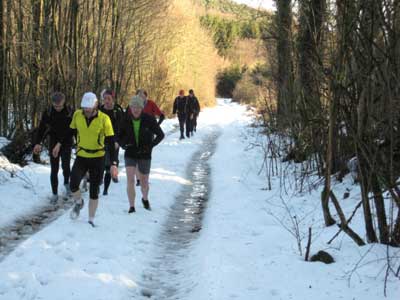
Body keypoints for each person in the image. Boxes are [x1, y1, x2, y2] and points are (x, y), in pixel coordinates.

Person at [69, 92, 118, 227]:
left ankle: (90, 219)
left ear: (95, 105)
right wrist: (62, 145)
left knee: (94, 189)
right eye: (85, 107)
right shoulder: (77, 115)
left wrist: (114, 163)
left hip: (98, 158)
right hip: (82, 156)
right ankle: (79, 202)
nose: (87, 110)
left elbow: (110, 141)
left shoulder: (104, 119)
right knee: (73, 183)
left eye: (89, 107)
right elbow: (71, 132)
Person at [118, 95, 164, 213]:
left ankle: (145, 198)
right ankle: (132, 206)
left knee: (144, 181)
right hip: (130, 152)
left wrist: (151, 145)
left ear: (142, 108)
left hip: (145, 153)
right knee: (130, 180)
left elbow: (160, 135)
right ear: (130, 108)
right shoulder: (125, 119)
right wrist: (124, 145)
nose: (135, 109)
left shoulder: (149, 119)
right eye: (133, 107)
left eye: (138, 107)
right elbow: (118, 136)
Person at [33, 92, 74, 203]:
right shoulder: (48, 112)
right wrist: (38, 142)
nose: (58, 108)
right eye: (55, 106)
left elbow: (71, 130)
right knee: (54, 169)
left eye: (60, 106)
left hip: (66, 141)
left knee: (66, 165)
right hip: (53, 141)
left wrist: (60, 144)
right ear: (52, 104)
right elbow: (42, 128)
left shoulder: (70, 112)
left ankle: (66, 183)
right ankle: (54, 194)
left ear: (64, 102)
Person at [136, 89, 165, 186]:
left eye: (142, 96)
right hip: (136, 133)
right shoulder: (133, 105)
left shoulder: (151, 104)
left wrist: (156, 126)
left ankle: (144, 176)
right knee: (136, 156)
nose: (141, 97)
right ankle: (139, 179)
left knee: (146, 155)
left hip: (149, 134)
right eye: (139, 95)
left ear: (146, 96)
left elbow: (161, 115)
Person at [99, 89, 124, 195]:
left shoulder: (118, 110)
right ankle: (100, 179)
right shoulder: (99, 110)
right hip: (101, 141)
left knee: (111, 164)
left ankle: (106, 189)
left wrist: (119, 142)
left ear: (113, 99)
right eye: (105, 99)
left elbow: (123, 128)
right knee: (101, 163)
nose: (107, 101)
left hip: (114, 141)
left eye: (109, 99)